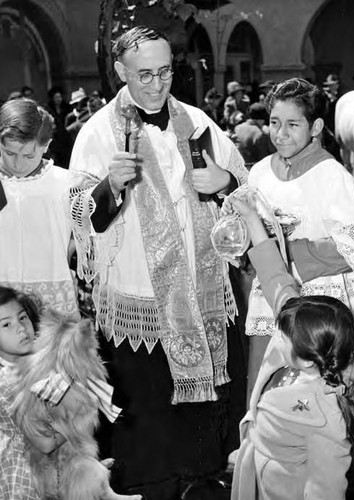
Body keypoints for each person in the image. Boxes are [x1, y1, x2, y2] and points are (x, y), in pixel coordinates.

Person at [69, 25, 248, 499]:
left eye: (165, 71)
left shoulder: (200, 123)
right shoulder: (97, 132)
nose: (156, 83)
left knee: (202, 432)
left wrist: (225, 181)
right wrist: (109, 188)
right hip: (140, 306)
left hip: (204, 295)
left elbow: (249, 196)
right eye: (143, 73)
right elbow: (77, 218)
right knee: (147, 427)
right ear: (120, 72)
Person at [230, 78, 354, 400]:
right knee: (266, 392)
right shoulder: (259, 171)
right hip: (270, 304)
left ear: (315, 127)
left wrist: (288, 251)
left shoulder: (333, 178)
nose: (280, 133)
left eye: (292, 124)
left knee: (315, 405)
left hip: (317, 317)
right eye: (274, 123)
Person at [225, 197, 354, 499]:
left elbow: (327, 489)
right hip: (257, 473)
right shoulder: (301, 330)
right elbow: (274, 275)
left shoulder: (327, 415)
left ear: (307, 359)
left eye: (281, 335)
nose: (276, 334)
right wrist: (251, 219)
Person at [0, 98, 78, 316]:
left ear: (46, 146)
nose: (17, 164)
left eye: (28, 155)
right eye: (9, 153)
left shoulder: (66, 184)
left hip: (51, 302)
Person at [0, 286, 50, 499]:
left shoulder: (37, 363)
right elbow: (45, 443)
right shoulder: (8, 382)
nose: (21, 328)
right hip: (25, 473)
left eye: (22, 318)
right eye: (6, 325)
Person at [234, 102, 275, 169]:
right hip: (254, 171)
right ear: (262, 119)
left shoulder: (237, 128)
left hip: (239, 170)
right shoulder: (260, 134)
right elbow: (264, 161)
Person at [46, 86, 72, 168]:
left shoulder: (67, 107)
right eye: (57, 97)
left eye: (60, 97)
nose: (59, 99)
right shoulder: (49, 108)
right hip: (55, 137)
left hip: (66, 136)